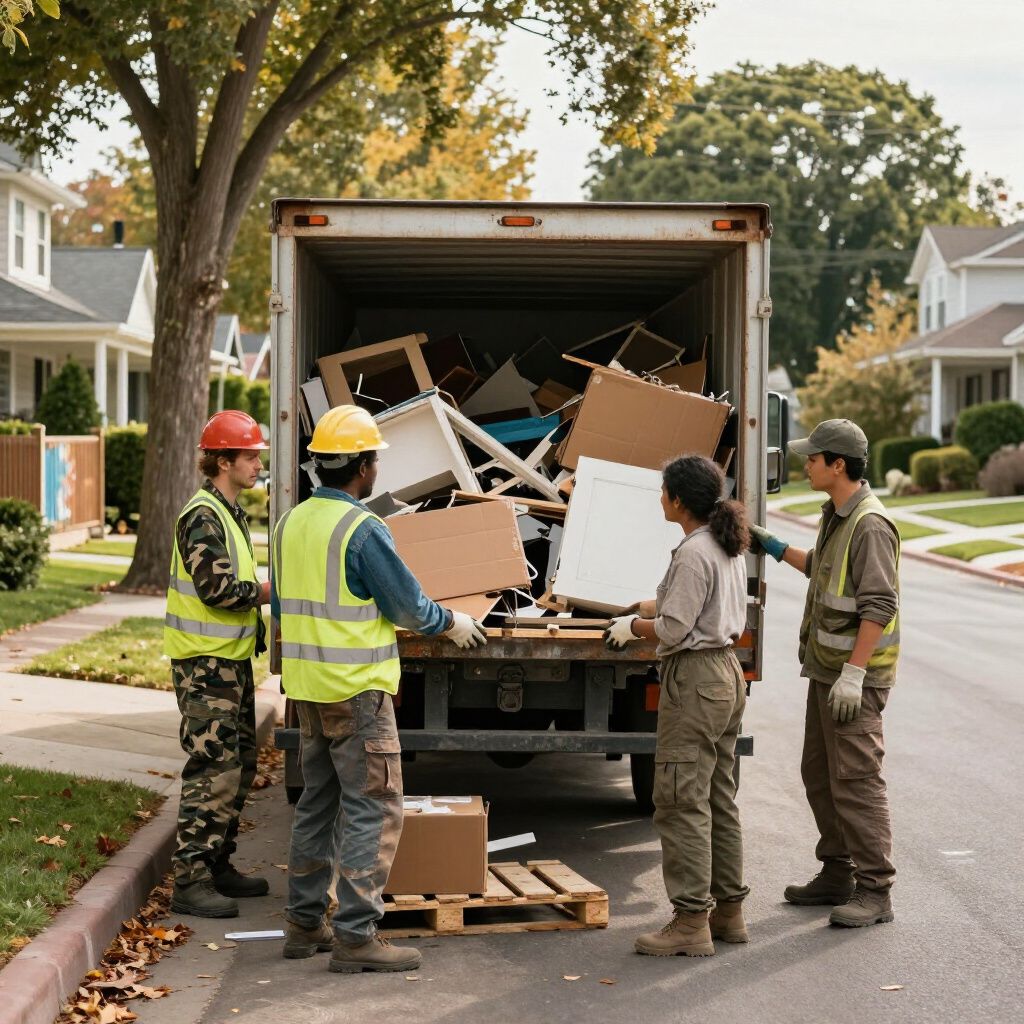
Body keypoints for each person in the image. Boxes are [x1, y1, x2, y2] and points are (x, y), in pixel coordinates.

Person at [273, 404, 487, 974]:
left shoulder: (289, 523)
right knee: (374, 806)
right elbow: (407, 607)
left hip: (309, 690)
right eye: (375, 460)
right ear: (364, 466)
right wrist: (451, 621)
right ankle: (356, 935)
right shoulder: (361, 528)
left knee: (318, 803)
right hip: (358, 693)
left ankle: (302, 925)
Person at [750, 418, 899, 928]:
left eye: (812, 458)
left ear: (838, 465)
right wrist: (768, 544)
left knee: (857, 781)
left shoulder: (870, 525)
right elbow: (820, 567)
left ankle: (875, 891)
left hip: (854, 682)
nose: (805, 463)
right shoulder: (837, 516)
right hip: (826, 674)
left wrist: (855, 674)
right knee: (820, 774)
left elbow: (879, 604)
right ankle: (838, 872)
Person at [605, 454, 751, 957]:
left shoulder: (693, 552)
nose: (659, 498)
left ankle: (691, 922)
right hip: (725, 672)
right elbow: (686, 604)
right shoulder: (722, 544)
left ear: (679, 500)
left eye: (663, 490)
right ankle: (729, 913)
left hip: (695, 679)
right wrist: (643, 606)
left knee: (679, 800)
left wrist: (635, 629)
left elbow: (673, 629)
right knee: (717, 797)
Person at [165, 409, 272, 918]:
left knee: (240, 765)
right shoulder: (202, 516)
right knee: (213, 768)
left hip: (229, 664)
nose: (258, 465)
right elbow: (218, 589)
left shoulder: (228, 512)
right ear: (223, 460)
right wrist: (272, 591)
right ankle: (190, 880)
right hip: (205, 668)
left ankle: (217, 865)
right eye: (250, 456)